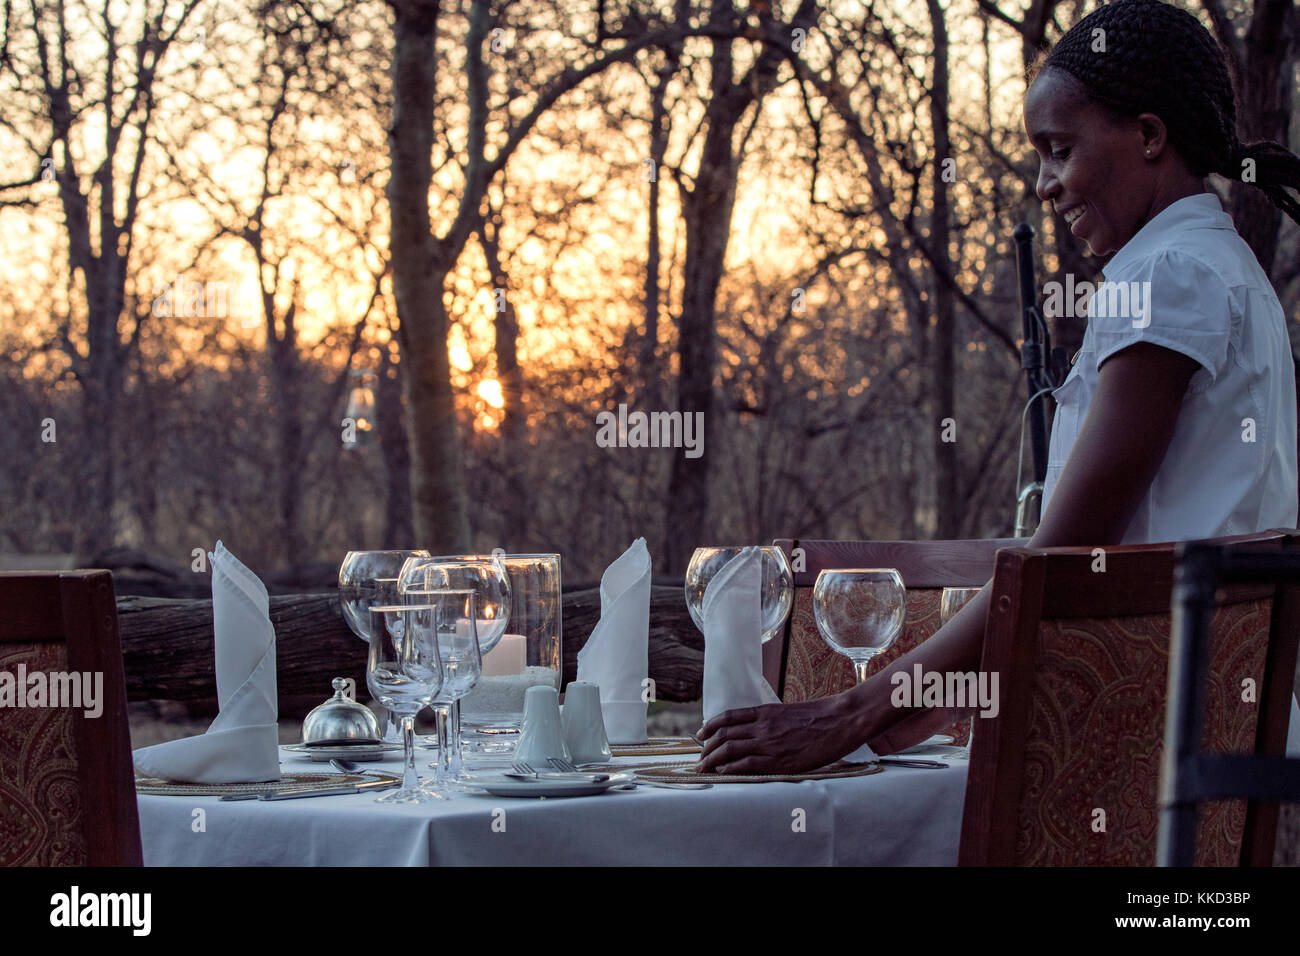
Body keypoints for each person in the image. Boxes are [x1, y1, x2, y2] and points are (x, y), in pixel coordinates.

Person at [697, 0, 1300, 774]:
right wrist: (947, 691)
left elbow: (1063, 553)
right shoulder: (1222, 268)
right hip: (1207, 725)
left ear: (1149, 136)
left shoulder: (1170, 277)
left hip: (1147, 742)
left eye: (1059, 150)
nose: (1046, 186)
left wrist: (853, 709)